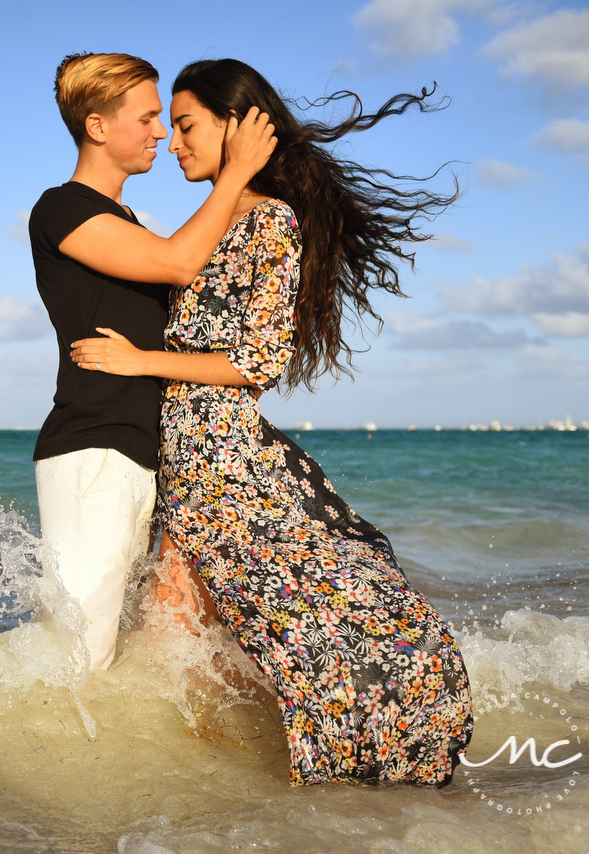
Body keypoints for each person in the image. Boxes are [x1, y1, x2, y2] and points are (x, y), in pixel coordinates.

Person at [68, 58, 473, 786]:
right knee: (189, 638)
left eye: (187, 125)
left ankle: (248, 782)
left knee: (198, 632)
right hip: (188, 459)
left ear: (236, 128)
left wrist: (141, 364)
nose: (176, 142)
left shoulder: (272, 222)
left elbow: (256, 361)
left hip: (221, 461)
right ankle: (227, 789)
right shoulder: (218, 222)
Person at [30, 53, 275, 672]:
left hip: (139, 457)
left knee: (114, 653)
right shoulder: (61, 209)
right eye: (147, 118)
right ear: (98, 127)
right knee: (81, 657)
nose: (162, 132)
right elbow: (178, 263)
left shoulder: (128, 221)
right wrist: (236, 170)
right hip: (95, 447)